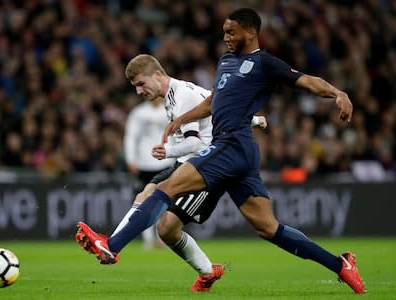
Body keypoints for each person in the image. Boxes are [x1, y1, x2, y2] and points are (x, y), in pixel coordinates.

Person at [74, 8, 365, 294]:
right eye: (224, 31)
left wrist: (337, 93)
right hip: (239, 151)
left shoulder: (264, 62)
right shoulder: (226, 62)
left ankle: (111, 246)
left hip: (230, 144)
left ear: (251, 32)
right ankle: (341, 265)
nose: (225, 36)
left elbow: (306, 80)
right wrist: (180, 120)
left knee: (165, 188)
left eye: (231, 31)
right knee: (269, 229)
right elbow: (214, 102)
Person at [76, 54, 267, 292]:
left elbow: (195, 143)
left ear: (157, 75)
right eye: (135, 87)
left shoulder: (181, 96)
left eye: (141, 84)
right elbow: (215, 104)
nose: (138, 92)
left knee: (162, 216)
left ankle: (111, 246)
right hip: (187, 164)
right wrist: (254, 119)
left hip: (206, 169)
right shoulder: (176, 93)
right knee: (152, 205)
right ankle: (207, 272)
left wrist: (167, 150)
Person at [123, 97, 175, 249]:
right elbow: (131, 137)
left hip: (166, 161)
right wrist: (130, 159)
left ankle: (161, 237)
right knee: (144, 199)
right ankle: (148, 239)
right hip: (144, 163)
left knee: (164, 200)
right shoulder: (139, 112)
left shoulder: (169, 110)